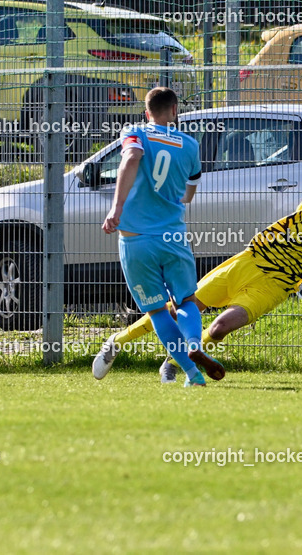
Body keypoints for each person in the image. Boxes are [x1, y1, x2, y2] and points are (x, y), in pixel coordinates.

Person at [94, 148, 302, 382]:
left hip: (277, 284)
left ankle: (174, 363)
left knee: (220, 327)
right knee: (182, 306)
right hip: (251, 260)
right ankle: (118, 341)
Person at [101, 87, 223, 387]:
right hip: (173, 236)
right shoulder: (191, 145)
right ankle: (194, 342)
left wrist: (116, 207)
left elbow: (131, 158)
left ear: (147, 113)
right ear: (175, 111)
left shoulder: (136, 132)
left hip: (135, 238)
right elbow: (189, 194)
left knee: (157, 310)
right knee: (185, 301)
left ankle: (193, 375)